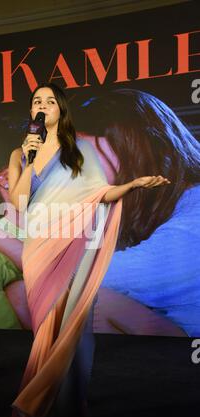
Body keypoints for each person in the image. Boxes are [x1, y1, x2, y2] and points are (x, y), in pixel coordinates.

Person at [4, 83, 170, 417]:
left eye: (51, 101)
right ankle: (55, 415)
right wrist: (28, 163)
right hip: (40, 251)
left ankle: (50, 414)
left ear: (62, 109)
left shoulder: (81, 151)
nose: (43, 106)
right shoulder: (21, 152)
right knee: (46, 335)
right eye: (37, 101)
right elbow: (19, 202)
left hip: (77, 247)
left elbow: (99, 195)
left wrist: (132, 185)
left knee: (76, 334)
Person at [76, 89, 200, 337]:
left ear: (134, 146)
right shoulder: (147, 201)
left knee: (94, 301)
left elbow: (104, 276)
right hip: (166, 337)